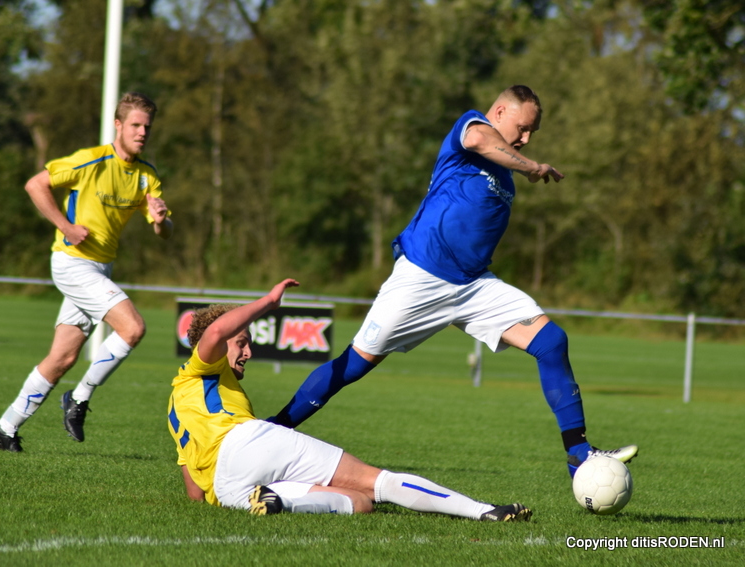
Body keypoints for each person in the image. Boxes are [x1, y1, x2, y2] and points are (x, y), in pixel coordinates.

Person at [267, 85, 638, 478]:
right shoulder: (470, 127)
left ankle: (578, 452)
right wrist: (532, 165)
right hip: (422, 277)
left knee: (551, 342)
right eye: (523, 128)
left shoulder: (505, 179)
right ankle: (272, 432)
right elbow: (480, 139)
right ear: (498, 111)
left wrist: (519, 167)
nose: (527, 138)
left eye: (532, 134)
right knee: (353, 366)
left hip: (474, 286)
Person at [168, 279, 531, 521]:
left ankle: (280, 502)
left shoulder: (176, 406)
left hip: (228, 489)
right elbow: (218, 330)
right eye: (241, 342)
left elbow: (195, 496)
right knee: (377, 482)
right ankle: (483, 511)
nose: (249, 350)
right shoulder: (204, 366)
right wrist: (269, 301)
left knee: (360, 504)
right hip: (245, 444)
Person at [0, 92, 173, 452]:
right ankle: (80, 396)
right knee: (133, 328)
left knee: (62, 358)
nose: (142, 132)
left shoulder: (146, 176)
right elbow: (35, 185)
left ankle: (5, 429)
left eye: (147, 127)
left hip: (100, 269)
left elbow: (163, 232)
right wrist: (67, 226)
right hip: (72, 263)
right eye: (135, 125)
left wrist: (163, 221)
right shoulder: (92, 160)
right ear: (118, 125)